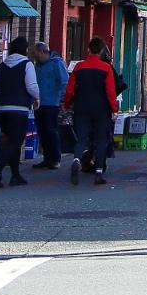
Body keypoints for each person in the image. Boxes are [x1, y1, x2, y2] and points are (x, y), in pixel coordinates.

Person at [63, 38, 120, 186]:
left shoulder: (79, 67)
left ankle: (76, 159)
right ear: (101, 51)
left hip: (81, 107)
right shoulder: (105, 68)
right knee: (101, 139)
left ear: (88, 49)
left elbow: (70, 89)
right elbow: (110, 91)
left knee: (81, 139)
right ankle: (99, 172)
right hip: (101, 109)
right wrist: (114, 108)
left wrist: (67, 104)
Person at [0, 36, 39, 188]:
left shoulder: (2, 66)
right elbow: (31, 86)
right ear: (25, 50)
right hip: (19, 108)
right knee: (16, 140)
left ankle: (15, 175)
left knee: (11, 140)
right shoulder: (27, 65)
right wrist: (37, 98)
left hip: (2, 109)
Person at [31, 43, 68, 170]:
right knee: (42, 131)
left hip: (52, 102)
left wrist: (63, 99)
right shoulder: (37, 66)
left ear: (43, 53)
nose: (34, 57)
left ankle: (56, 158)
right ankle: (47, 158)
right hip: (38, 102)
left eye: (36, 54)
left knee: (51, 130)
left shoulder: (56, 63)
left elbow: (64, 81)